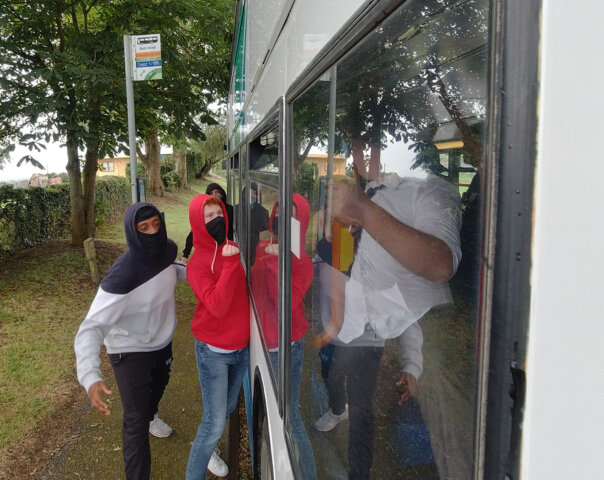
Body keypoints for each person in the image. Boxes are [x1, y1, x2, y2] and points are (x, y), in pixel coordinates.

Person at [314, 159, 462, 480]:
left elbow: (425, 286)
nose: (361, 157)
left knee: (361, 409)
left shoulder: (423, 198)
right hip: (340, 331)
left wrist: (412, 364)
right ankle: (337, 410)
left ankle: (359, 473)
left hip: (368, 341)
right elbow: (331, 263)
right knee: (333, 375)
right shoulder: (359, 217)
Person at [74, 202, 186, 480]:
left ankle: (150, 415)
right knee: (135, 422)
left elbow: (176, 270)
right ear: (132, 233)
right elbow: (91, 328)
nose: (153, 232)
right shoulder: (121, 277)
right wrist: (89, 376)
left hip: (161, 341)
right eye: (143, 228)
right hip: (129, 350)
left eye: (156, 225)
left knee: (158, 387)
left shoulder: (167, 251)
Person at [251, 194, 317, 479]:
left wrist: (275, 262)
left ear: (300, 222)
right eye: (279, 211)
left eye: (290, 214)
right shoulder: (262, 246)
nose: (281, 218)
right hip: (261, 341)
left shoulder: (302, 262)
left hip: (284, 348)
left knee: (290, 418)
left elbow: (284, 303)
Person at [185, 194, 250, 480]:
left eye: (219, 213)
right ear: (198, 223)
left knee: (228, 407)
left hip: (241, 349)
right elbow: (218, 305)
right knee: (213, 424)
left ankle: (207, 446)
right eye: (209, 216)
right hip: (213, 352)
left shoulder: (230, 248)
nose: (216, 220)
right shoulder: (197, 263)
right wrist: (231, 264)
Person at [182, 183, 234, 261]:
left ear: (222, 193)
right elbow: (194, 232)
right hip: (210, 249)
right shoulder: (204, 211)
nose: (214, 195)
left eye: (217, 192)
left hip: (226, 248)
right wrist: (186, 253)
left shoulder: (230, 209)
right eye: (211, 193)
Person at [236, 181, 269, 265]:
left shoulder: (263, 212)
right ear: (244, 194)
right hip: (239, 249)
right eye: (251, 193)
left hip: (255, 251)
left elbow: (265, 234)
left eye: (255, 194)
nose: (253, 196)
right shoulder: (236, 210)